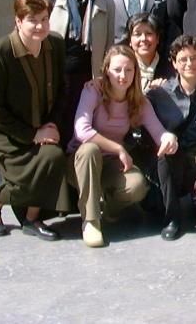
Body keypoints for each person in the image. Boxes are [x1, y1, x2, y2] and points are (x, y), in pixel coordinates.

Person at [0, 0, 68, 240]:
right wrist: (32, 134)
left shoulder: (56, 45)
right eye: (32, 20)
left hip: (43, 127)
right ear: (18, 21)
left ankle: (31, 218)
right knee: (24, 177)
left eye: (44, 19)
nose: (40, 26)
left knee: (53, 159)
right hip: (4, 131)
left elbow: (62, 91)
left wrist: (51, 126)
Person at [68, 45, 178, 247]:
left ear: (135, 72)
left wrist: (169, 138)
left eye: (128, 70)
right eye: (117, 69)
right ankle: (91, 221)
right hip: (81, 161)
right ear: (106, 70)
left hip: (110, 163)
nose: (122, 75)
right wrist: (119, 148)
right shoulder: (93, 90)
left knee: (137, 186)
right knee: (90, 149)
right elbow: (81, 132)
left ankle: (110, 209)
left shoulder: (138, 101)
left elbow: (158, 131)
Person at [41, 0, 116, 148]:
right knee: (56, 124)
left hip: (86, 81)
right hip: (55, 77)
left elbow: (109, 46)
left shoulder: (107, 4)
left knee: (80, 130)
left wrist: (101, 77)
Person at [147, 35, 196, 240]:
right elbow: (137, 114)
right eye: (183, 59)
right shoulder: (159, 93)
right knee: (166, 153)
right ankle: (172, 218)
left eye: (194, 58)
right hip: (172, 162)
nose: (189, 64)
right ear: (173, 63)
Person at [124, 12, 173, 93]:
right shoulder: (124, 68)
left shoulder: (170, 68)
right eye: (137, 34)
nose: (143, 39)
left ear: (157, 38)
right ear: (130, 40)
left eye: (149, 34)